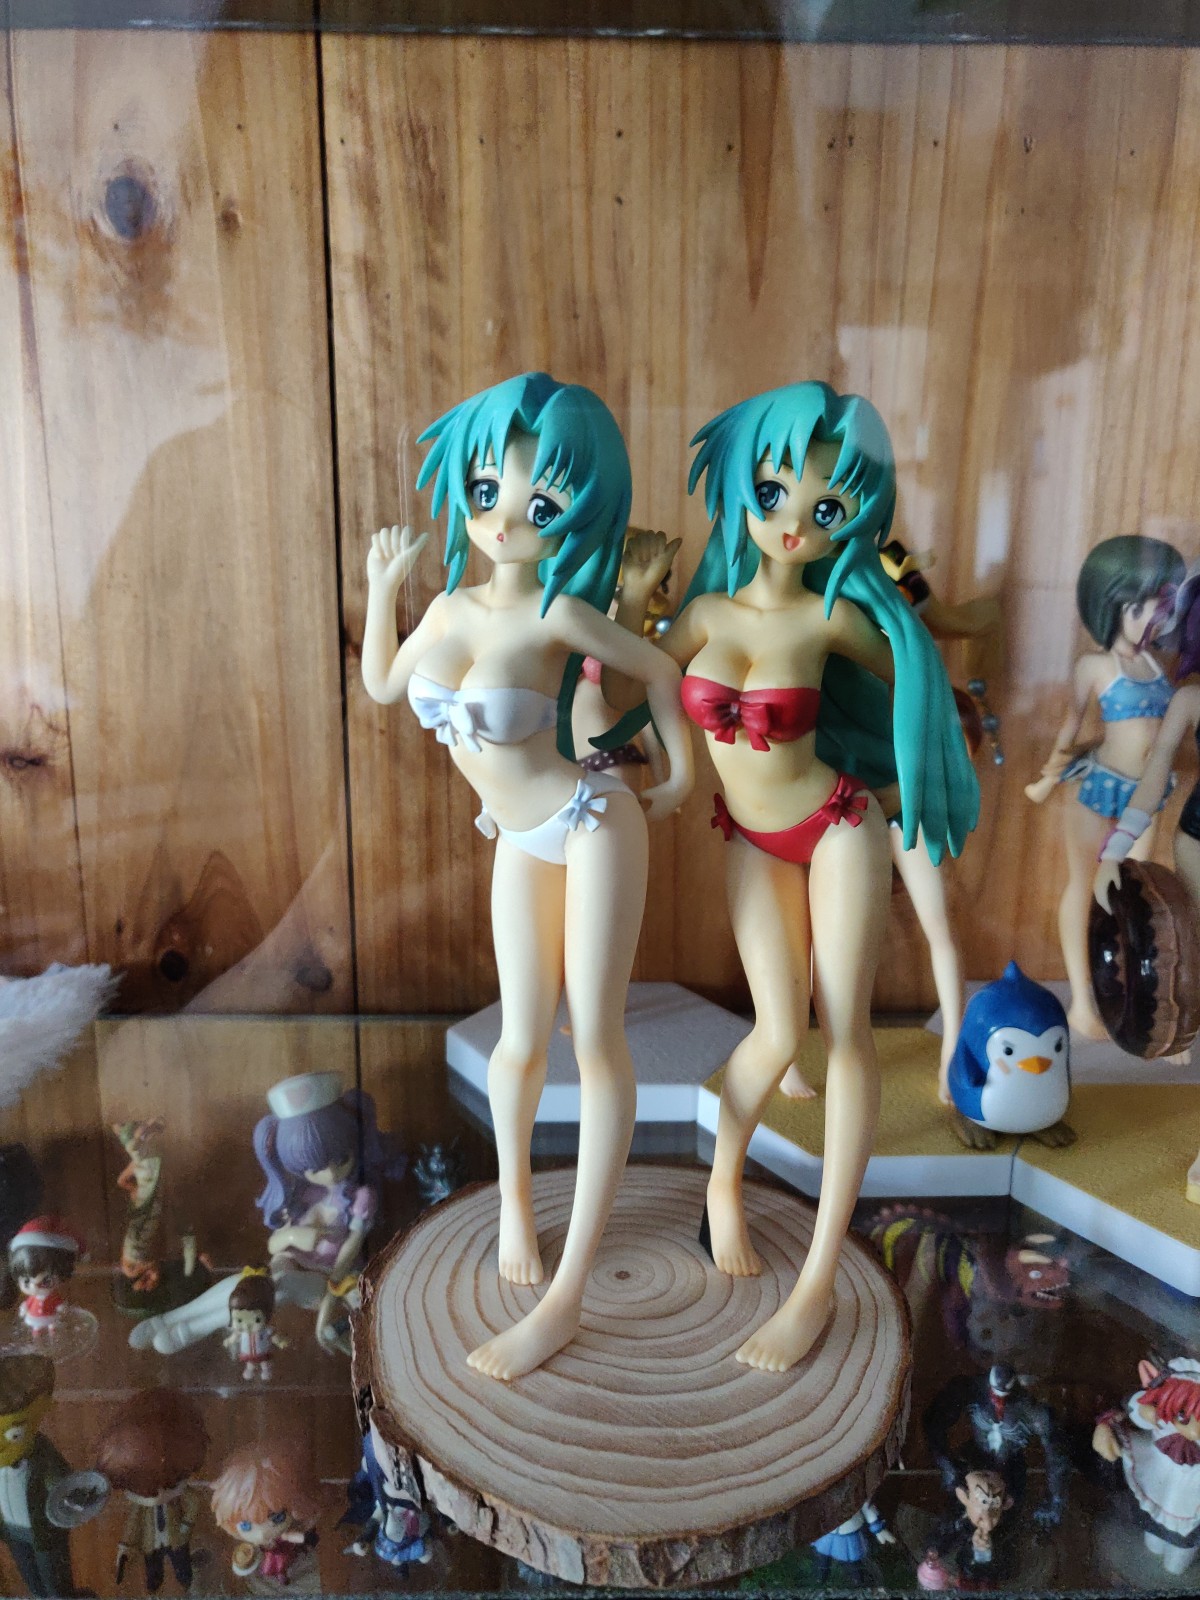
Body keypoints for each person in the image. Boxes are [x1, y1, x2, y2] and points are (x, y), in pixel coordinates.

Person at [608, 381, 977, 1370]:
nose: (791, 523)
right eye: (772, 493)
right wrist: (623, 612)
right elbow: (629, 687)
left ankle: (817, 1281)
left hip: (839, 824)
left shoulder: (827, 618)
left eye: (826, 508)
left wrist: (919, 758)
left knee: (844, 1033)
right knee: (776, 1032)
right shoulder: (703, 613)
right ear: (739, 486)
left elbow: (911, 671)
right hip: (748, 836)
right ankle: (721, 1183)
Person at [362, 372, 693, 1380]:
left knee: (595, 1040)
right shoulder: (447, 609)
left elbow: (661, 670)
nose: (504, 519)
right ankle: (514, 1201)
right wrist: (380, 591)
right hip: (514, 835)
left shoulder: (558, 613)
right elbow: (382, 684)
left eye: (539, 504)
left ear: (579, 514)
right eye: (486, 492)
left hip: (591, 823)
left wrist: (683, 773)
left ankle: (567, 1296)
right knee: (517, 1040)